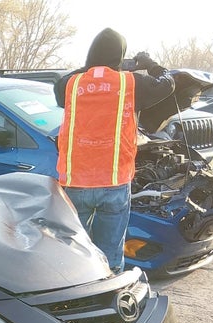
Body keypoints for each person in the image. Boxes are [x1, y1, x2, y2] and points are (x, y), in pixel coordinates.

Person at [54, 28, 175, 273]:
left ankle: (76, 288)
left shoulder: (70, 84)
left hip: (75, 182)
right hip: (114, 182)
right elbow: (168, 84)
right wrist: (148, 64)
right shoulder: (130, 82)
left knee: (74, 253)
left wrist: (92, 67)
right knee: (110, 254)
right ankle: (109, 290)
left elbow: (62, 84)